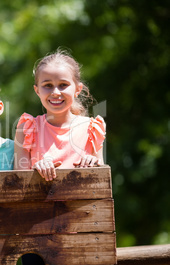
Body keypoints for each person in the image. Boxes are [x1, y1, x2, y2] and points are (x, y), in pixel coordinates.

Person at [14, 49, 106, 181]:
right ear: (37, 90)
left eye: (63, 85)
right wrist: (36, 169)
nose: (56, 92)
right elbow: (18, 180)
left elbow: (102, 180)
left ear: (77, 89)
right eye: (48, 85)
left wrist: (94, 164)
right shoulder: (27, 128)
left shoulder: (91, 129)